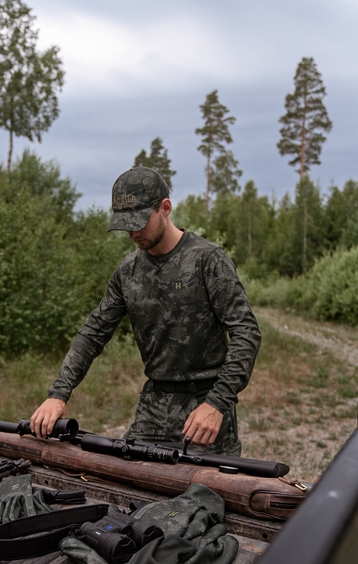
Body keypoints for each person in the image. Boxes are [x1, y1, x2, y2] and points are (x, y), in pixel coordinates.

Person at [30, 167, 261, 455]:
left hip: (205, 408)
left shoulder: (207, 260)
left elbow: (246, 332)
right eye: (125, 224)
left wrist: (216, 403)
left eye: (139, 222)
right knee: (124, 482)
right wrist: (58, 394)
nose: (132, 233)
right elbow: (93, 333)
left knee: (202, 495)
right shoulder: (128, 271)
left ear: (165, 208)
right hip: (153, 407)